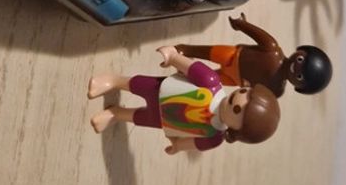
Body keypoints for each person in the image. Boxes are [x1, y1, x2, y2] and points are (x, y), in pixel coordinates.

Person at [87, 46, 280, 155]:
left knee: (140, 118)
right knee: (137, 84)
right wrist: (173, 56)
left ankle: (116, 114)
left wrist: (178, 146)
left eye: (240, 110)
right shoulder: (211, 82)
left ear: (237, 131)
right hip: (163, 90)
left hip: (165, 121)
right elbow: (192, 68)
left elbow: (194, 144)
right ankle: (113, 81)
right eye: (246, 92)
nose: (239, 98)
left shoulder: (214, 137)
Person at [176, 13, 333, 98]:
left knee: (207, 79)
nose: (296, 67)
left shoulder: (276, 91)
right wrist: (241, 25)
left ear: (299, 88)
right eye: (300, 60)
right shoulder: (273, 49)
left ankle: (183, 76)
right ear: (301, 50)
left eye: (299, 76)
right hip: (233, 56)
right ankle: (186, 50)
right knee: (208, 52)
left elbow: (255, 99)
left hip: (236, 80)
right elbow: (258, 35)